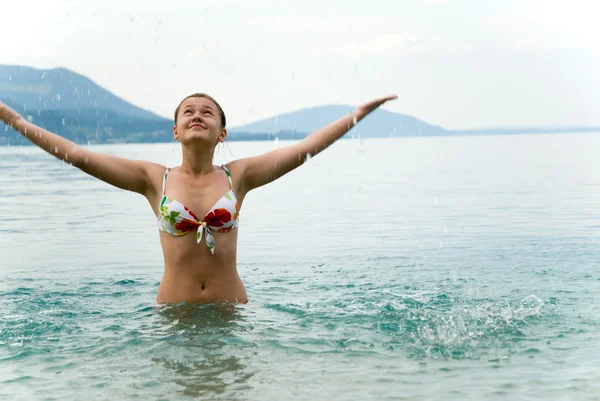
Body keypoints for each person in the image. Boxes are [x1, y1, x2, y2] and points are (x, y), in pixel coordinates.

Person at [0, 93, 397, 304]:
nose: (197, 115)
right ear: (175, 130)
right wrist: (16, 123)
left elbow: (305, 148)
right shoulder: (153, 179)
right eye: (188, 111)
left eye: (208, 112)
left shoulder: (238, 175)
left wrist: (355, 115)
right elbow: (79, 155)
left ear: (221, 133)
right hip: (173, 317)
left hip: (231, 315)